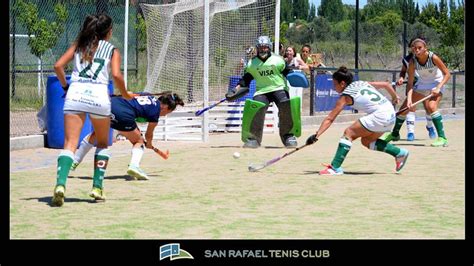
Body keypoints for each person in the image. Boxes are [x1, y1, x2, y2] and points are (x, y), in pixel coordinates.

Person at [51, 14, 132, 207]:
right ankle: (97, 187)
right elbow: (116, 75)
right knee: (103, 142)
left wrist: (65, 87)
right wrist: (126, 93)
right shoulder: (112, 50)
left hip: (76, 94)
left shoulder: (79, 45)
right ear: (109, 31)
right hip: (99, 97)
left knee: (70, 144)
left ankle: (60, 185)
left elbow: (58, 66)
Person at [305, 66, 409, 175]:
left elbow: (330, 118)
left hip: (380, 115)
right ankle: (399, 153)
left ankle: (335, 167)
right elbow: (386, 85)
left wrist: (316, 135)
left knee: (348, 133)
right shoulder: (360, 83)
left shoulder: (345, 96)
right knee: (367, 142)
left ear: (342, 84)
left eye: (335, 84)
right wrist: (394, 97)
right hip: (390, 113)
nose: (333, 87)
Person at [71, 93, 184, 180]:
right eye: (167, 113)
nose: (164, 115)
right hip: (123, 114)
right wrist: (149, 143)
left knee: (96, 134)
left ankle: (74, 162)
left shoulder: (148, 95)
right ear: (165, 107)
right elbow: (149, 134)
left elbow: (130, 94)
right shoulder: (155, 112)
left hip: (110, 103)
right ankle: (134, 166)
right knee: (138, 141)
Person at [225, 36, 302, 148]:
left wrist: (296, 76)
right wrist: (235, 89)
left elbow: (287, 72)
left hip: (279, 88)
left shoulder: (278, 60)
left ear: (269, 47)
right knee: (257, 107)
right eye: (260, 47)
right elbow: (246, 79)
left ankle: (288, 136)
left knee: (285, 105)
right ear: (257, 48)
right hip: (262, 91)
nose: (263, 49)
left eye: (265, 47)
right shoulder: (252, 64)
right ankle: (254, 139)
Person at [382, 37, 451, 147]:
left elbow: (447, 74)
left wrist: (438, 87)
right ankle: (395, 134)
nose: (417, 50)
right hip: (422, 84)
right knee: (403, 109)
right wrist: (409, 100)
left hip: (436, 83)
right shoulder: (412, 62)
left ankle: (442, 138)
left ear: (425, 48)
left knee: (431, 106)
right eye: (415, 48)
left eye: (420, 48)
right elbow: (410, 83)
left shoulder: (433, 57)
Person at [396, 38, 437, 141]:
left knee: (428, 107)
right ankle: (410, 132)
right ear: (411, 48)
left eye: (419, 47)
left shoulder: (428, 57)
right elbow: (403, 71)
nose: (416, 49)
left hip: (426, 84)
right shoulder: (407, 59)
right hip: (412, 85)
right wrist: (401, 77)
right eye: (413, 47)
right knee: (410, 107)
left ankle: (430, 126)